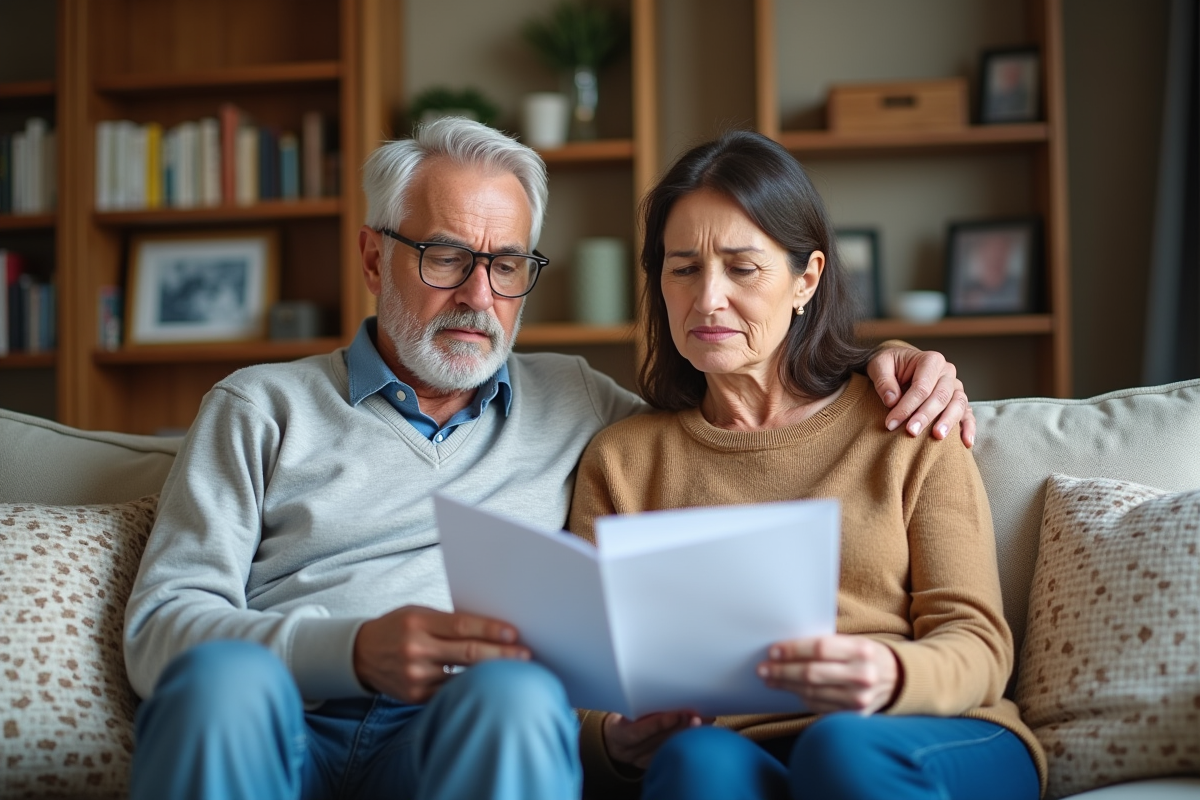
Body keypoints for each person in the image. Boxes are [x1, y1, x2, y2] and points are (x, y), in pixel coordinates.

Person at [123, 118, 976, 800]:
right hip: (280, 719)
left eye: (505, 265)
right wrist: (352, 651)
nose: (477, 296)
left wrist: (884, 363)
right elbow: (160, 632)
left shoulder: (580, 405)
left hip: (454, 731)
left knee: (519, 696)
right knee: (220, 681)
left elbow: (741, 424)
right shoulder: (258, 407)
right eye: (446, 255)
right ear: (375, 256)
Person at [568, 130, 1045, 800]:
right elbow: (588, 676)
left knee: (839, 747)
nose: (707, 299)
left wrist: (889, 674)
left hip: (921, 731)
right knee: (697, 764)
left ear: (806, 279)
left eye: (741, 268)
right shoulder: (622, 462)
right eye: (682, 268)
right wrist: (612, 734)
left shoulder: (906, 421)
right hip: (737, 748)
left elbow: (979, 644)